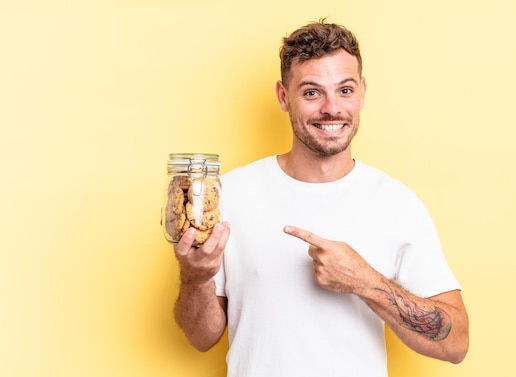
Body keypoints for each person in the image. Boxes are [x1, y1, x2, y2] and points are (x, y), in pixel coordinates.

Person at [173, 19, 469, 377]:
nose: (332, 108)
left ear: (361, 92)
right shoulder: (230, 194)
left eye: (344, 90)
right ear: (284, 97)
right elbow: (201, 337)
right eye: (312, 92)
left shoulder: (396, 203)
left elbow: (455, 344)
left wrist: (364, 281)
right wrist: (195, 277)